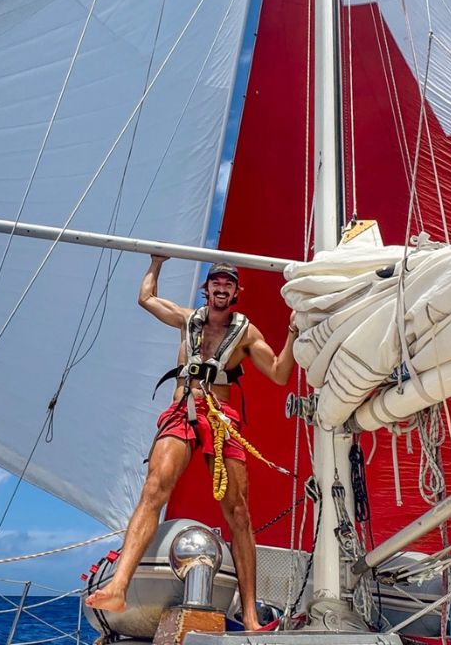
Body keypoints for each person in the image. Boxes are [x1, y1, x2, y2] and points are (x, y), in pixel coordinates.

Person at [84, 255, 298, 631]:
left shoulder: (246, 334)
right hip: (183, 408)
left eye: (228, 283)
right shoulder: (187, 319)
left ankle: (249, 616)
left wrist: (295, 333)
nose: (221, 287)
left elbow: (280, 374)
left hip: (220, 416)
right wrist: (156, 262)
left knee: (239, 513)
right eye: (216, 281)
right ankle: (119, 585)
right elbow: (146, 298)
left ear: (235, 292)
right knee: (154, 490)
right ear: (207, 289)